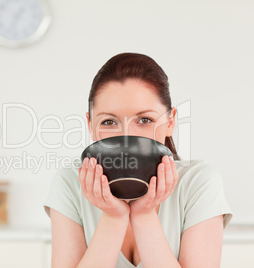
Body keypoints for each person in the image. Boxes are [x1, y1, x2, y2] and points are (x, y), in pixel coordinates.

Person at [43, 53, 233, 268]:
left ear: (171, 121)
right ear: (90, 126)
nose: (126, 136)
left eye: (144, 120)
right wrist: (113, 217)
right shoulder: (69, 183)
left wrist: (144, 215)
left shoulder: (199, 182)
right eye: (108, 121)